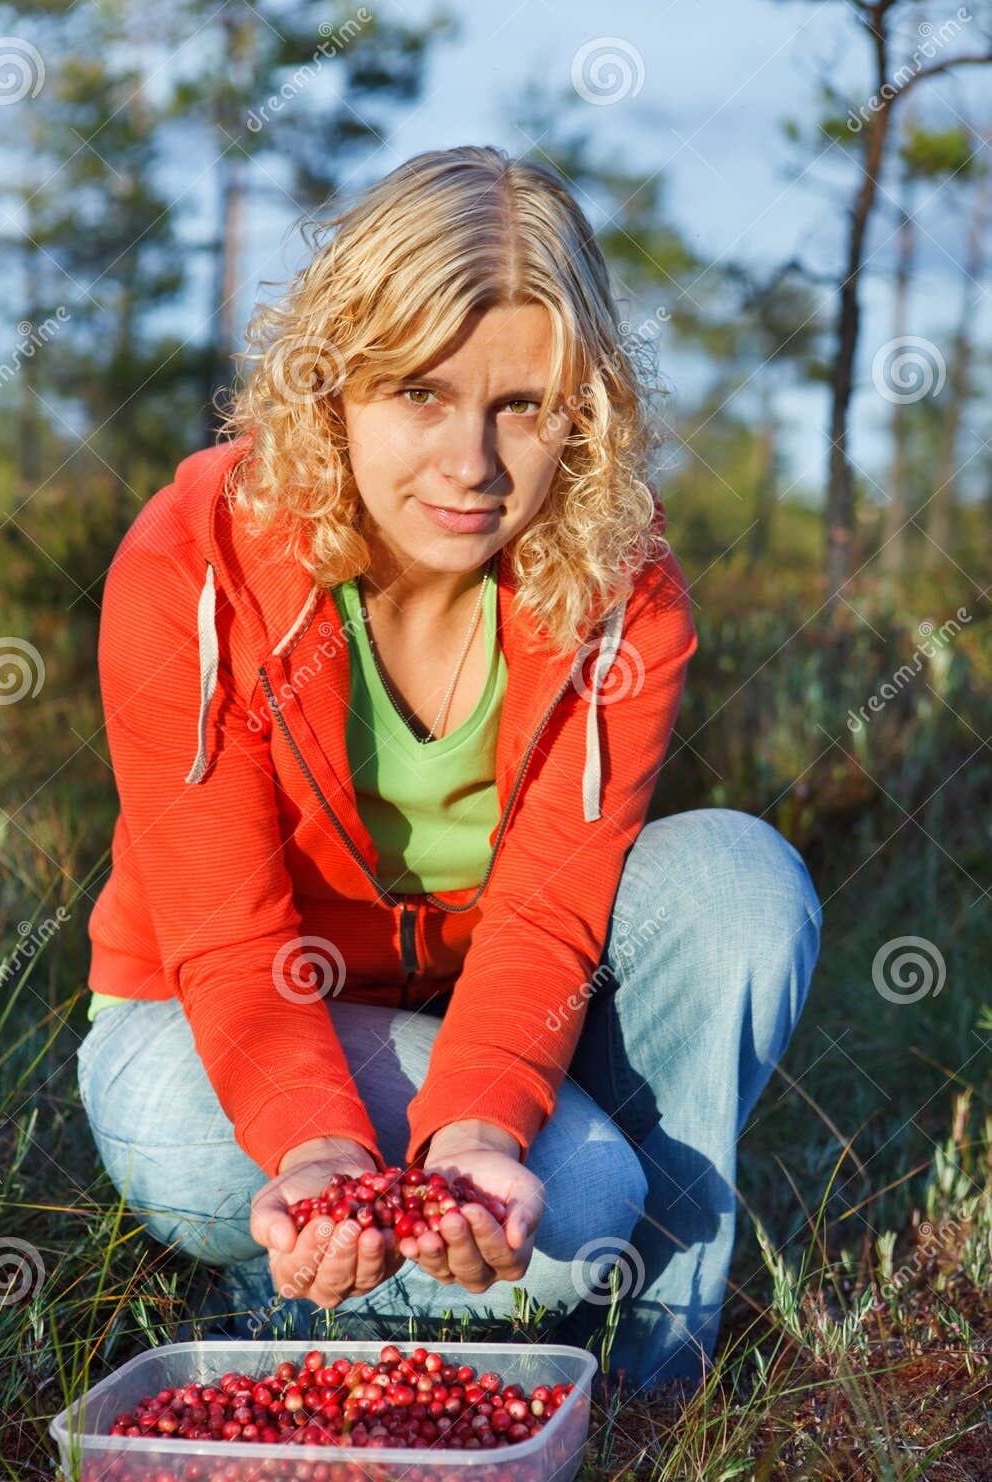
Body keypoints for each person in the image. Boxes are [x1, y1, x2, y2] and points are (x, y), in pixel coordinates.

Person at [76, 143, 822, 1393]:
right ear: (334, 390)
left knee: (737, 880)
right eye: (419, 393)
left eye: (521, 406)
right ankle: (290, 1301)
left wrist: (476, 1128)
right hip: (211, 1015)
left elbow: (547, 911)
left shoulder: (620, 592)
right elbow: (224, 937)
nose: (471, 465)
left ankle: (644, 1367)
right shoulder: (189, 567)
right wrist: (317, 1153)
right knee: (569, 1198)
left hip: (471, 1015)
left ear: (580, 415)